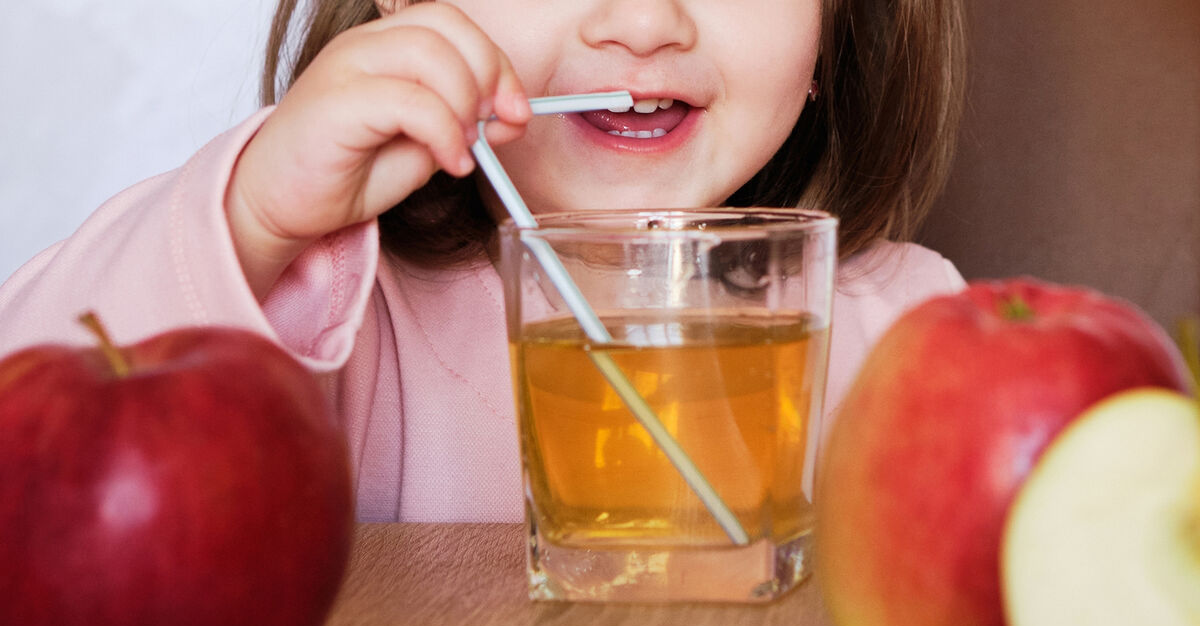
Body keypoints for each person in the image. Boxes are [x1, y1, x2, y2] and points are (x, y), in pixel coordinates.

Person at [0, 0, 967, 522]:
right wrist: (254, 215)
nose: (641, 22)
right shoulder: (321, 302)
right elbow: (33, 455)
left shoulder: (914, 336)